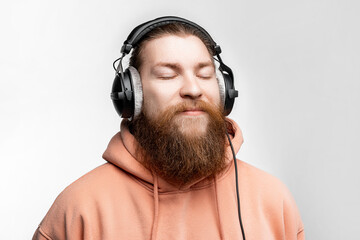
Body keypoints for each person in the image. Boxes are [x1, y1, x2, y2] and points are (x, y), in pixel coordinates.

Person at [33, 16, 304, 240]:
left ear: (224, 90)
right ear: (133, 96)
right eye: (167, 75)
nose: (193, 89)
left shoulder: (272, 200)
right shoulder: (79, 208)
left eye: (204, 74)